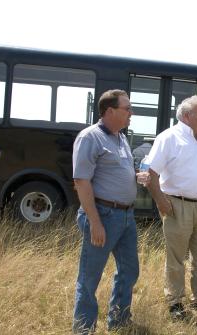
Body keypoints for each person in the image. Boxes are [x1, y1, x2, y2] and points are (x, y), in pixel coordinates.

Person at [142, 95, 197, 320]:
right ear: (186, 116)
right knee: (176, 257)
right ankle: (175, 302)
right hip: (178, 205)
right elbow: (151, 172)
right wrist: (161, 201)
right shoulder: (169, 138)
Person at [72, 89, 139, 334]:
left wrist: (136, 177)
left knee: (130, 270)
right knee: (89, 279)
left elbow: (115, 172)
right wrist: (95, 222)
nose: (131, 113)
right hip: (103, 216)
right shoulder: (91, 137)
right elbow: (82, 181)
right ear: (110, 111)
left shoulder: (120, 137)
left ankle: (119, 321)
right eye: (127, 109)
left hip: (126, 217)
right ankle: (84, 330)